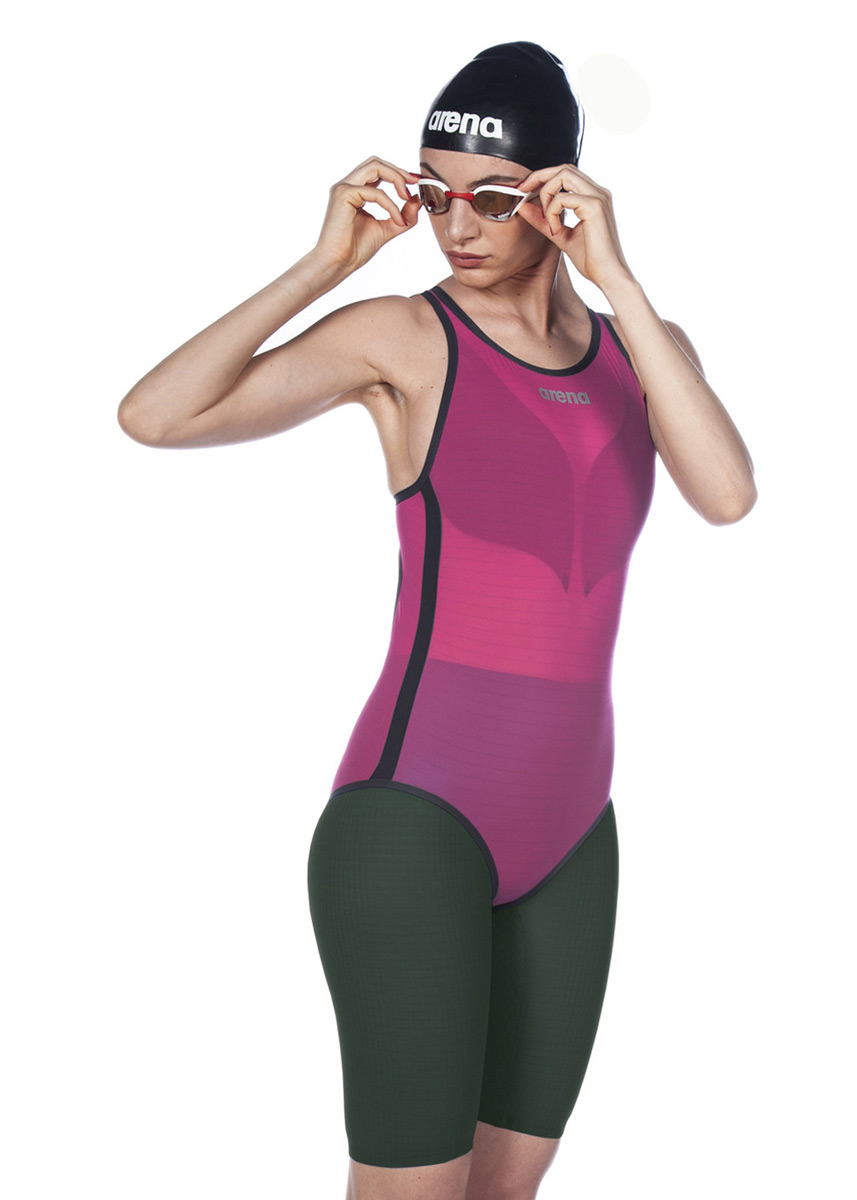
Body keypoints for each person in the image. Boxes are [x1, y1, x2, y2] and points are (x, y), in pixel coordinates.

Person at [118, 40, 757, 1200]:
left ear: (558, 195)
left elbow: (725, 495)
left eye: (494, 199)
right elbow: (155, 416)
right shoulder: (405, 340)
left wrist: (618, 279)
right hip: (413, 821)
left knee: (504, 1192)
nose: (456, 227)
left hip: (573, 830)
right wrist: (324, 264)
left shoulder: (642, 352)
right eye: (435, 194)